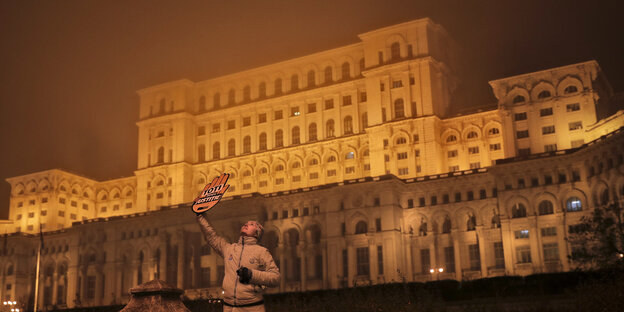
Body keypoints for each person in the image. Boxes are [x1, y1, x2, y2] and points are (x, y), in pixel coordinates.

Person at [196, 211, 280, 312]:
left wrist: (251, 275)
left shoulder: (261, 251)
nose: (246, 224)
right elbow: (211, 237)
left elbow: (275, 278)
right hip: (229, 308)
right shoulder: (229, 249)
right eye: (246, 223)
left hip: (252, 308)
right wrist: (200, 215)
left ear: (257, 233)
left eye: (252, 224)